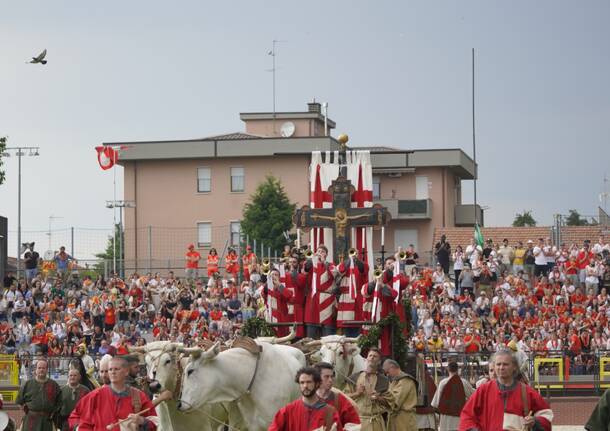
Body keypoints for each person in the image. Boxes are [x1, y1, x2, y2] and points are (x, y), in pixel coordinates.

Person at [458, 349, 553, 431]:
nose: (501, 367)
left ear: (514, 366)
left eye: (505, 364)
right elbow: (467, 415)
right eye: (498, 364)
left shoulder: (527, 392)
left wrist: (535, 422)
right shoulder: (483, 390)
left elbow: (546, 415)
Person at [69, 356, 157, 430]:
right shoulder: (95, 396)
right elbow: (75, 416)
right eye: (110, 369)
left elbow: (155, 423)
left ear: (126, 371)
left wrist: (142, 421)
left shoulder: (139, 396)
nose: (113, 372)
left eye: (116, 369)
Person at [269, 366, 341, 431]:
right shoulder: (287, 411)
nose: (305, 386)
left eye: (309, 382)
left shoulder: (330, 413)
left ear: (317, 384)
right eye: (302, 383)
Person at [345, 348, 389, 431]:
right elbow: (345, 398)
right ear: (367, 359)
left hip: (375, 422)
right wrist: (357, 393)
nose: (372, 358)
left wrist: (378, 398)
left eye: (375, 356)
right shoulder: (355, 377)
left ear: (379, 361)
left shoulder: (383, 380)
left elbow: (390, 402)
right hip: (358, 422)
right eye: (370, 355)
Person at [16, 359, 62, 431]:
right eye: (39, 368)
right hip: (31, 421)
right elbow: (19, 401)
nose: (41, 370)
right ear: (35, 370)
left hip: (47, 421)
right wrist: (26, 411)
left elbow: (59, 403)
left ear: (47, 370)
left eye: (43, 368)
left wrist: (53, 413)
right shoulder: (27, 384)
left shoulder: (54, 385)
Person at [314, 362, 361, 429]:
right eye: (326, 377)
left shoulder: (340, 400)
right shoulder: (306, 400)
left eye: (332, 376)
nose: (330, 380)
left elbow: (355, 425)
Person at [431, 361, 474, 431]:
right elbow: (473, 398)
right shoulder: (464, 382)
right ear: (457, 370)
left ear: (448, 369)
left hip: (445, 419)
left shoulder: (442, 383)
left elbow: (436, 403)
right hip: (459, 418)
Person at [382, 359, 417, 431]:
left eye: (387, 372)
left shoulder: (405, 380)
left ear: (392, 367)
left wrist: (380, 399)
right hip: (396, 420)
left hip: (404, 421)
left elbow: (395, 402)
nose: (387, 375)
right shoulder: (394, 381)